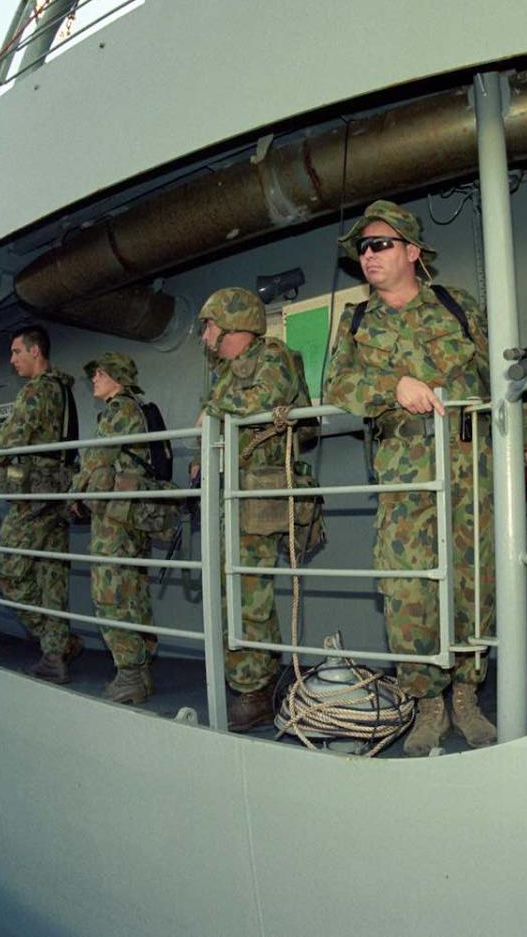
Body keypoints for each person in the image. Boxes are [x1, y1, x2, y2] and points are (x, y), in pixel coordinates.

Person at [323, 200, 496, 756]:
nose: (368, 255)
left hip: (468, 464)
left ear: (412, 252)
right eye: (363, 248)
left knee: (473, 580)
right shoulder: (356, 321)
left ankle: (466, 694)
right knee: (406, 589)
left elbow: (495, 375)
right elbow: (336, 386)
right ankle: (427, 703)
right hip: (403, 472)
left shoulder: (456, 306)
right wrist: (392, 385)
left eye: (381, 244)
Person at [196, 287, 316, 731]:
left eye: (209, 325)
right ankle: (259, 681)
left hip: (259, 495)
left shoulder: (273, 356)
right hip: (235, 494)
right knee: (238, 592)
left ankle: (253, 688)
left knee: (247, 594)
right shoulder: (226, 373)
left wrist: (212, 410)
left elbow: (264, 399)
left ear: (233, 322)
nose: (205, 335)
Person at [0, 326, 80, 683]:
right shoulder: (62, 388)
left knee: (8, 574)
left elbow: (9, 438)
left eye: (16, 351)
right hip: (58, 492)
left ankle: (55, 642)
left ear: (35, 351)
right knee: (51, 576)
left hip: (35, 495)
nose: (12, 359)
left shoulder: (37, 389)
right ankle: (55, 655)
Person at [72, 352, 160, 703]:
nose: (94, 378)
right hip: (129, 515)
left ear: (118, 377)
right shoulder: (133, 408)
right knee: (132, 592)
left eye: (100, 373)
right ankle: (140, 672)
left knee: (109, 593)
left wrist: (72, 494)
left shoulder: (119, 410)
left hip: (115, 519)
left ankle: (129, 674)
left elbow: (97, 459)